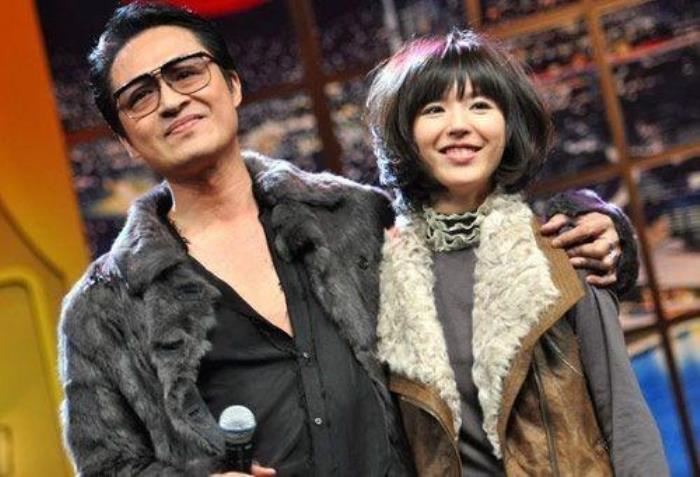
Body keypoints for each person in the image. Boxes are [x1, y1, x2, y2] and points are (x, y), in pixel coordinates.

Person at [58, 4, 635, 476]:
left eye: (186, 73)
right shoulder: (102, 310)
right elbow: (107, 466)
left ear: (232, 85)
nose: (170, 100)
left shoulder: (356, 215)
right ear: (125, 139)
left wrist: (599, 224)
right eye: (139, 96)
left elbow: (480, 231)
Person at [367, 30, 668, 476]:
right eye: (434, 109)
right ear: (405, 133)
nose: (459, 125)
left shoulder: (565, 248)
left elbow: (625, 420)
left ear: (508, 126)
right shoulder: (381, 278)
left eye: (480, 105)